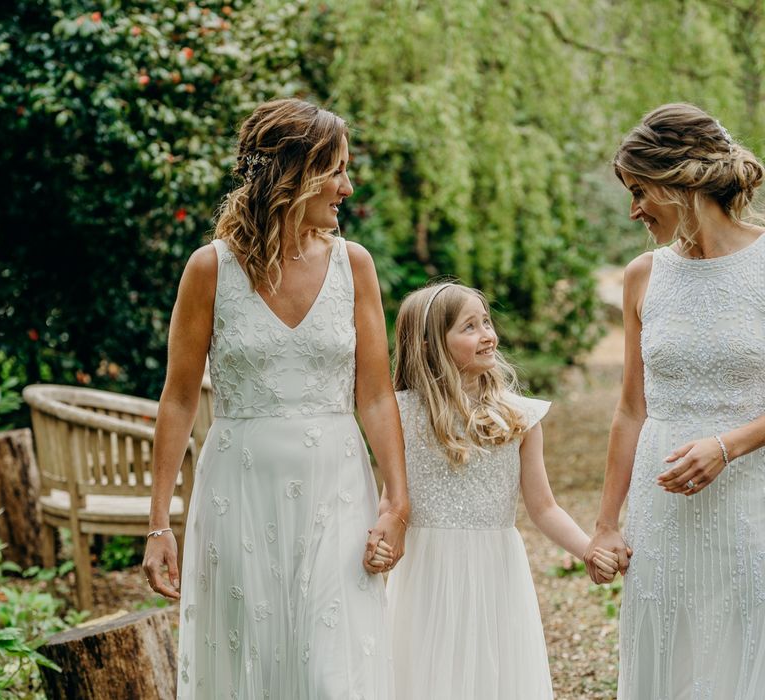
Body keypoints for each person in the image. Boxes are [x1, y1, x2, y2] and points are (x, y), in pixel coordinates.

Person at [142, 98, 409, 699]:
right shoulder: (210, 269)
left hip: (336, 484)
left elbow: (375, 394)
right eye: (336, 169)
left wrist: (397, 501)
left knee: (332, 667)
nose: (347, 186)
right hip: (239, 492)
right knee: (250, 665)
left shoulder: (354, 266)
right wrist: (159, 525)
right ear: (294, 173)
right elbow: (179, 399)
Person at [583, 103, 765, 699]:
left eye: (640, 191)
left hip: (751, 498)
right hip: (660, 508)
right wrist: (607, 525)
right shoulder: (643, 275)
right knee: (667, 651)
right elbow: (630, 410)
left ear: (677, 181)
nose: (634, 209)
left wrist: (728, 445)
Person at [373, 282, 618, 699]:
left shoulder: (519, 416)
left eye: (486, 322)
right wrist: (379, 539)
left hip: (495, 572)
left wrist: (587, 549)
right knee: (428, 677)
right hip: (426, 574)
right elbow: (390, 500)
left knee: (494, 676)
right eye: (470, 327)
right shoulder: (401, 414)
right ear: (431, 344)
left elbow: (543, 507)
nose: (488, 334)